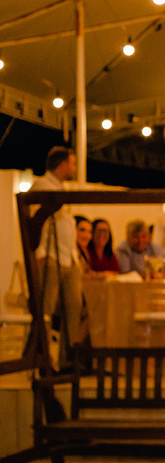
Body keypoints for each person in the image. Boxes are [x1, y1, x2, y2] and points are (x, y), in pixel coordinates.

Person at [32, 146, 84, 347]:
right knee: (46, 308)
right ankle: (42, 356)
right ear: (63, 165)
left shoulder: (61, 188)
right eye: (72, 163)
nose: (74, 168)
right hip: (51, 255)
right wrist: (41, 252)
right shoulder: (41, 185)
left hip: (67, 256)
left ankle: (68, 358)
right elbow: (37, 221)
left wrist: (74, 252)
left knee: (74, 306)